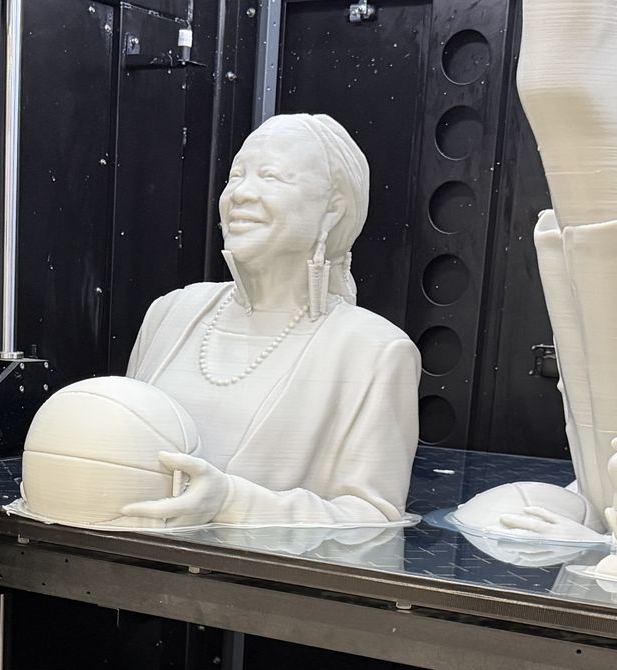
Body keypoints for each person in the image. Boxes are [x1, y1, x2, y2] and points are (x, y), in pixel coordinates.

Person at [120, 113, 418, 527]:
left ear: (333, 209)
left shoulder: (375, 351)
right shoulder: (171, 314)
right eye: (236, 175)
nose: (241, 193)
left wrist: (232, 504)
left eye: (271, 176)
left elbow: (374, 521)